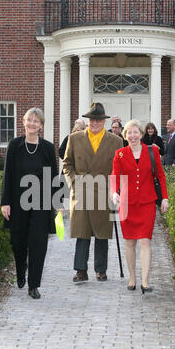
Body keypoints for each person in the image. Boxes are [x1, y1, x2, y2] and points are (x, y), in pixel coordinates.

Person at [1, 107, 58, 299]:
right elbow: (7, 176)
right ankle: (20, 268)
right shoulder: (15, 145)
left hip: (41, 202)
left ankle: (34, 285)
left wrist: (59, 202)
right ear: (24, 122)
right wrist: (5, 202)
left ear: (41, 126)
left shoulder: (48, 148)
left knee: (38, 243)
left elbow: (54, 177)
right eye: (29, 120)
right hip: (18, 201)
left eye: (36, 121)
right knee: (18, 242)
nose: (32, 124)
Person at [63, 102, 123, 283]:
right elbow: (67, 164)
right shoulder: (74, 138)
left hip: (104, 191)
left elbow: (119, 168)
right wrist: (74, 182)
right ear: (87, 120)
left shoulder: (116, 141)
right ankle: (81, 270)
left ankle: (101, 269)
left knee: (101, 232)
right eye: (92, 120)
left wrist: (115, 190)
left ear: (103, 121)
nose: (95, 123)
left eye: (98, 120)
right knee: (82, 233)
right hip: (81, 190)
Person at [111, 119, 169, 293]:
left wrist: (165, 198)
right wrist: (114, 192)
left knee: (145, 241)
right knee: (129, 243)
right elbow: (114, 175)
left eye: (136, 132)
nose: (133, 135)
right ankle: (132, 278)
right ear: (125, 135)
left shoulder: (152, 151)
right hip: (126, 204)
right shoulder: (119, 154)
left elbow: (160, 176)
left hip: (147, 203)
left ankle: (145, 281)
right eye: (129, 132)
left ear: (142, 134)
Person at [58, 119, 86, 208]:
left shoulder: (87, 140)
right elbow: (61, 151)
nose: (79, 132)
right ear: (74, 130)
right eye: (77, 130)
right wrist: (68, 160)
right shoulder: (69, 138)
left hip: (81, 169)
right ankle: (61, 207)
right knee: (63, 188)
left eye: (81, 129)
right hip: (69, 168)